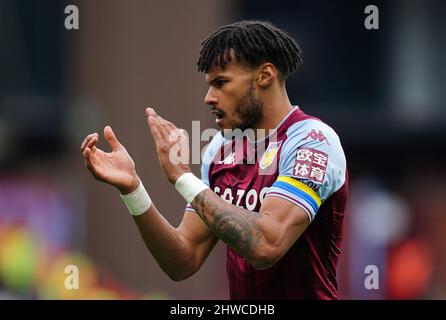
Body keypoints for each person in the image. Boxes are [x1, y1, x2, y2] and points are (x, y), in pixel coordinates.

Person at [80, 20, 348, 299]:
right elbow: (183, 259)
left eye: (221, 83)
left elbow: (267, 246)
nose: (208, 97)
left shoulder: (312, 142)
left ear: (265, 75)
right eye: (209, 85)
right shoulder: (221, 149)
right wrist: (133, 189)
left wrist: (182, 177)